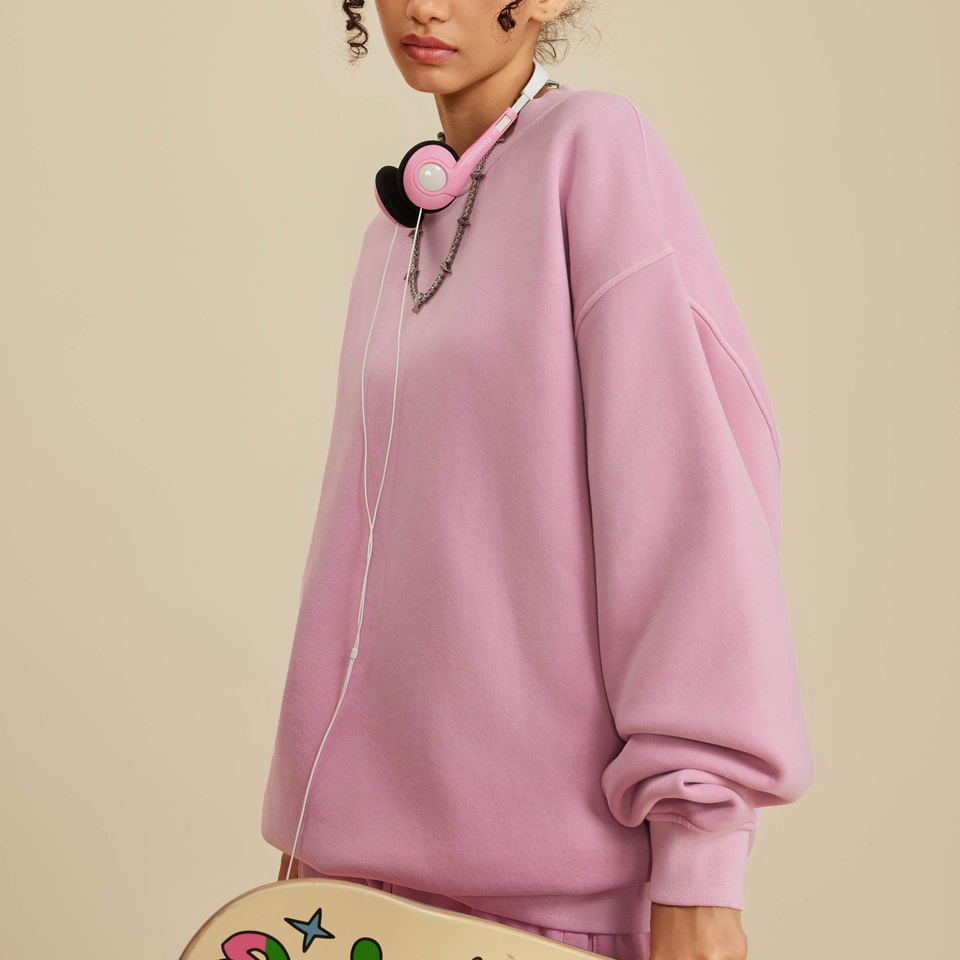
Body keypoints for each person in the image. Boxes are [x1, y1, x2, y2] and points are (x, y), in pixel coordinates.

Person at [260, 3, 816, 959]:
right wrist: (314, 841)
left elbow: (684, 505)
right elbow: (363, 554)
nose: (426, 6)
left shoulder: (590, 148)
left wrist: (700, 862)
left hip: (553, 908)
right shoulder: (400, 226)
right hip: (355, 895)